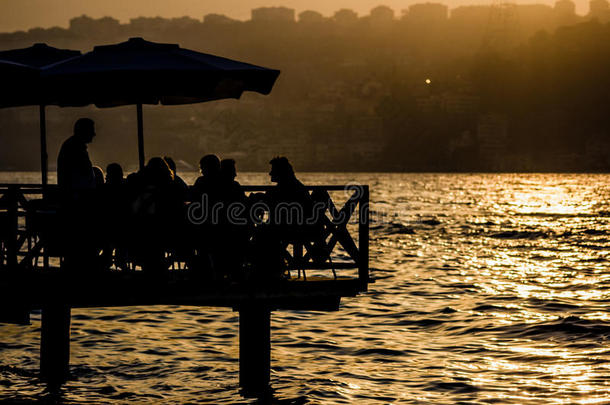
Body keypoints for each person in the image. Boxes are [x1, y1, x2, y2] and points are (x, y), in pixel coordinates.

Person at [57, 118, 96, 194]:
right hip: (76, 197)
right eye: (92, 130)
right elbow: (79, 177)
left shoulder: (74, 145)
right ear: (84, 131)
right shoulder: (74, 147)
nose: (94, 134)